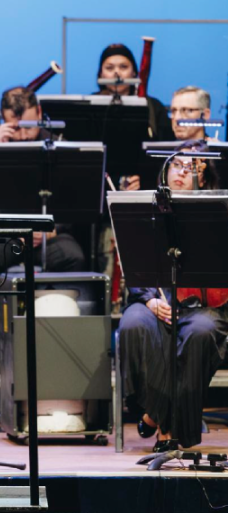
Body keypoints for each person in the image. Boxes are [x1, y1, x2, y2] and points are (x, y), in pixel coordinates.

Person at [120, 139, 227, 450]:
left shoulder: (217, 212)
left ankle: (160, 419)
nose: (180, 172)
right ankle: (162, 416)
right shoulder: (145, 208)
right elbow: (134, 263)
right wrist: (150, 298)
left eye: (190, 168)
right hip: (155, 299)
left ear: (204, 178)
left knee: (200, 331)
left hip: (207, 307)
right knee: (134, 323)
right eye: (175, 165)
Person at [0, 87, 86, 360]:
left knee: (75, 257)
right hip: (6, 236)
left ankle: (61, 339)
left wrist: (54, 228)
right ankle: (2, 347)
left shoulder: (58, 143)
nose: (22, 135)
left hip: (50, 235)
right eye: (15, 128)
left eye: (29, 127)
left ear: (40, 114)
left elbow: (75, 198)